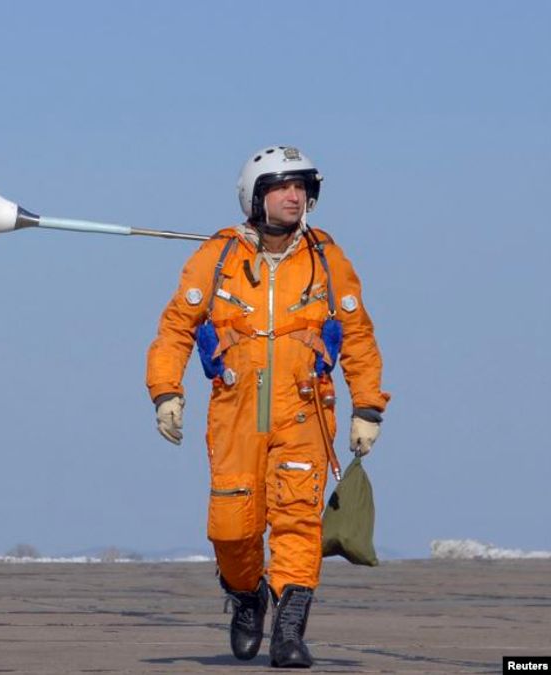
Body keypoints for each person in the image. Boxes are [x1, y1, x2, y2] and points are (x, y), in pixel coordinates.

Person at [145, 146, 388, 668]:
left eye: (300, 187)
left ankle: (290, 634)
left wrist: (367, 407)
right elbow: (176, 328)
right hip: (235, 414)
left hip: (305, 414)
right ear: (255, 196)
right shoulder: (219, 256)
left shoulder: (328, 258)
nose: (293, 196)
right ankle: (247, 596)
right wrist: (167, 391)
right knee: (231, 528)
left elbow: (358, 335)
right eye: (281, 187)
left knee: (299, 521)